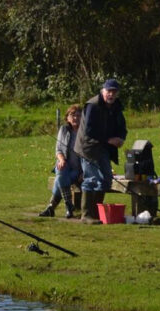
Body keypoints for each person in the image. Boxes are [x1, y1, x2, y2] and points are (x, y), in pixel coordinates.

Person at [74, 78, 127, 224]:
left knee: (106, 180)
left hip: (103, 147)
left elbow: (122, 126)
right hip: (88, 147)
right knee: (91, 179)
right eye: (109, 91)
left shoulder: (116, 106)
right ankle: (86, 215)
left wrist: (121, 138)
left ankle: (97, 213)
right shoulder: (93, 105)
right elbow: (89, 130)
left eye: (114, 92)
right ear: (103, 91)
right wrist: (109, 140)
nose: (111, 94)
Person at [39, 104, 83, 219]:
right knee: (61, 169)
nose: (76, 118)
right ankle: (69, 206)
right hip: (65, 167)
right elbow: (58, 149)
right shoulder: (64, 130)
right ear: (67, 118)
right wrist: (62, 159)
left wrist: (84, 172)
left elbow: (89, 155)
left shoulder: (85, 132)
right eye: (72, 115)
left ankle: (51, 208)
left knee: (60, 179)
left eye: (79, 115)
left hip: (78, 170)